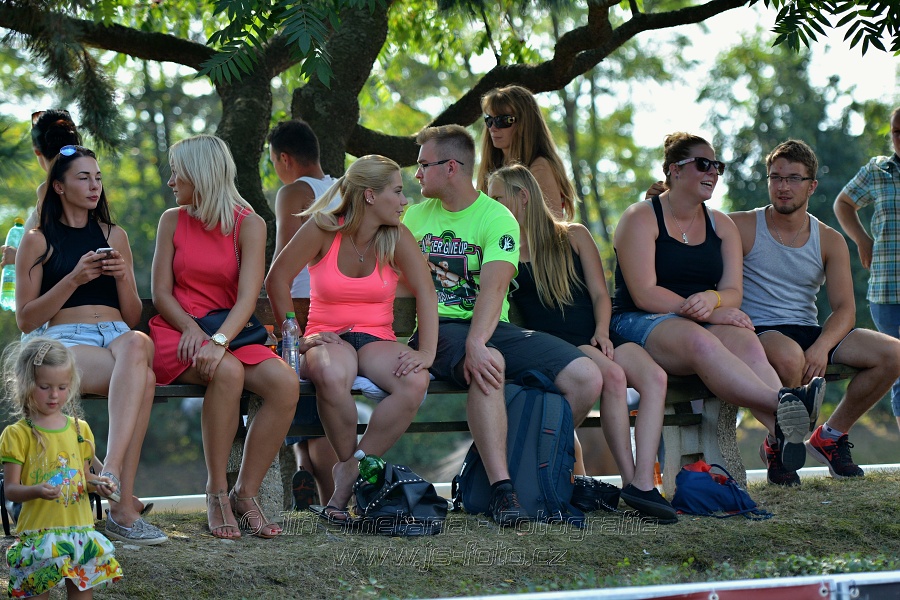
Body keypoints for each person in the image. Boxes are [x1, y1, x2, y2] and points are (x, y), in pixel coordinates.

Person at [403, 125, 602, 527]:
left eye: (424, 165)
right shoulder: (413, 217)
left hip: (491, 327)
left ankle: (532, 467)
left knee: (586, 378)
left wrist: (477, 340)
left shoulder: (497, 218)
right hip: (437, 327)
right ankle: (502, 490)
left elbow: (494, 287)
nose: (417, 174)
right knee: (489, 365)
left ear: (452, 167)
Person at [611, 132, 822, 477]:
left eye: (717, 166)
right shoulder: (640, 217)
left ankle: (782, 430)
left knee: (747, 341)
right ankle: (786, 403)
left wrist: (713, 300)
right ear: (674, 171)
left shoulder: (720, 224)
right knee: (701, 341)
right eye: (703, 164)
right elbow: (644, 293)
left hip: (699, 317)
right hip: (640, 320)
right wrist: (702, 310)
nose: (712, 172)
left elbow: (732, 292)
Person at [487, 164, 674, 520]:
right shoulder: (506, 248)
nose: (491, 204)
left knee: (655, 378)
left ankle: (644, 482)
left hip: (600, 333)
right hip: (561, 345)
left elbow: (601, 295)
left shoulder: (573, 234)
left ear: (522, 197)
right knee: (615, 378)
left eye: (497, 197)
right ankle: (633, 481)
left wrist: (603, 332)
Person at [266, 154, 438, 523]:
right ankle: (348, 479)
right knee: (330, 375)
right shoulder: (322, 228)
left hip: (377, 339)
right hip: (328, 339)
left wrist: (426, 351)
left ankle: (347, 473)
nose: (405, 200)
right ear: (370, 196)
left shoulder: (398, 237)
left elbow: (427, 291)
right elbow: (277, 279)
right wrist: (293, 335)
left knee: (415, 381)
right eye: (397, 191)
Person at [14, 144, 166, 545]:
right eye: (83, 177)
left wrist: (122, 277)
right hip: (66, 338)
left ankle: (109, 474)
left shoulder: (115, 234)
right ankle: (120, 509)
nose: (94, 185)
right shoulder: (37, 239)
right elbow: (26, 318)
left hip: (118, 336)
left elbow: (132, 316)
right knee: (145, 380)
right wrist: (74, 279)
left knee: (137, 342)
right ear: (59, 186)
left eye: (97, 177)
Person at [150, 134, 299, 539]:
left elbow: (248, 298)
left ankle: (244, 494)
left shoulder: (249, 224)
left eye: (176, 171)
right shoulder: (172, 220)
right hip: (180, 332)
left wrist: (217, 341)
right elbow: (162, 292)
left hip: (231, 333)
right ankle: (215, 491)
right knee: (228, 374)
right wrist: (195, 332)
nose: (171, 181)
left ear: (200, 173)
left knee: (285, 384)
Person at [731, 139, 900, 484]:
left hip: (809, 329)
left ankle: (832, 436)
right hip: (758, 330)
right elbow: (690, 222)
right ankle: (779, 443)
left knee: (894, 353)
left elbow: (844, 310)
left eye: (794, 178)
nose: (783, 186)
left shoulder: (829, 239)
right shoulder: (741, 225)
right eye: (775, 177)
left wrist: (822, 346)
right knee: (792, 358)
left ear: (812, 185)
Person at [0, 338, 124, 598]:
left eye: (62, 387)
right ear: (26, 384)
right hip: (38, 535)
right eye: (45, 387)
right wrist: (36, 490)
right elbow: (11, 489)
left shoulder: (80, 429)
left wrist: (100, 485)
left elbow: (85, 477)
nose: (54, 394)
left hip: (79, 532)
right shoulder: (17, 434)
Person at [266, 119, 342, 509]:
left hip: (302, 309)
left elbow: (284, 260)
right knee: (310, 400)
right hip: (344, 310)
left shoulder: (293, 192)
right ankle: (306, 475)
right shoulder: (342, 188)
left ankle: (330, 499)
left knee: (309, 404)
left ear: (284, 158)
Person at [834, 107, 900, 432]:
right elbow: (842, 203)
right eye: (897, 132)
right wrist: (862, 239)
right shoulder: (878, 170)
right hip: (889, 290)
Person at [1, 110, 81, 304]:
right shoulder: (88, 186)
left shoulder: (49, 189)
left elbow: (64, 248)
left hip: (58, 308)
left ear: (37, 150)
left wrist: (18, 257)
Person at [476, 85, 578, 221]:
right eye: (489, 120)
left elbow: (551, 229)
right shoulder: (491, 168)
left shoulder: (540, 168)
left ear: (526, 123)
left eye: (503, 120)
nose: (493, 128)